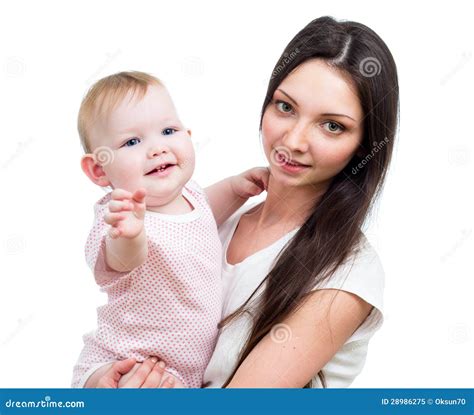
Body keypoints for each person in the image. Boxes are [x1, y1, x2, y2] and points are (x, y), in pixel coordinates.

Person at [86, 15, 399, 388]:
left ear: (364, 144)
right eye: (285, 107)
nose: (295, 140)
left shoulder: (347, 274)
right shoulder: (198, 218)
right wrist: (101, 383)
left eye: (332, 125)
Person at [71, 71, 269, 388]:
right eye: (132, 141)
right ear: (98, 169)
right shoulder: (119, 216)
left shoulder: (190, 195)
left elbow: (203, 215)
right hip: (124, 360)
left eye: (168, 130)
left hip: (186, 373)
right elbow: (123, 259)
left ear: (188, 134)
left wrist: (236, 188)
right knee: (112, 387)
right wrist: (131, 235)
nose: (157, 148)